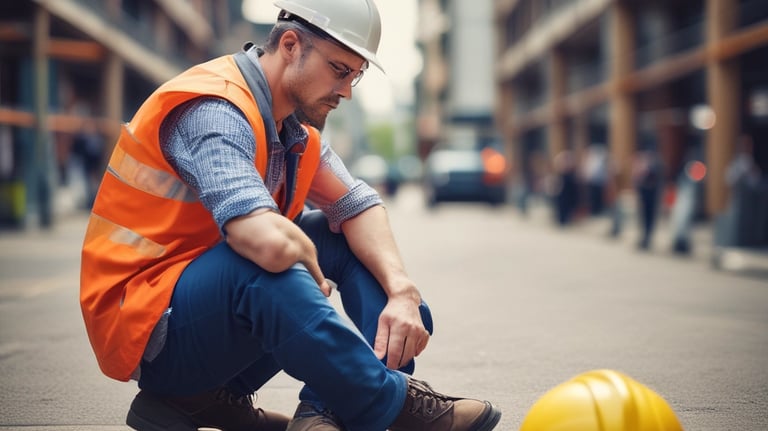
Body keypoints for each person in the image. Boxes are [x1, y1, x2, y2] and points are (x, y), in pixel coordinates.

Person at [79, 1, 502, 431]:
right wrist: (306, 267)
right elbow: (260, 239)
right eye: (339, 70)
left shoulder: (292, 132)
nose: (347, 91)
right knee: (268, 264)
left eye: (355, 76)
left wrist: (401, 292)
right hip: (151, 329)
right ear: (290, 44)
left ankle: (316, 411)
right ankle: (389, 403)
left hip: (201, 316)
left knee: (347, 242)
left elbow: (361, 205)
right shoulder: (214, 107)